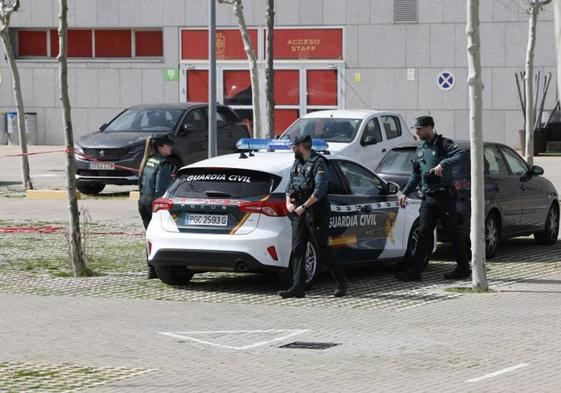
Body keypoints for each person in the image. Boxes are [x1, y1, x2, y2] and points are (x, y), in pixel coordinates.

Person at [396, 116, 471, 282]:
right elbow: (416, 173)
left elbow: (462, 153)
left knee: (452, 233)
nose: (417, 131)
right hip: (428, 198)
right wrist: (405, 192)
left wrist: (443, 164)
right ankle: (415, 271)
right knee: (424, 233)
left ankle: (463, 268)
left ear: (430, 128)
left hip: (444, 196)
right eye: (416, 128)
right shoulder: (421, 147)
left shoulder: (444, 144)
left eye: (420, 128)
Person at [278, 135, 348, 298]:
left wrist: (304, 206)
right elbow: (290, 185)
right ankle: (297, 287)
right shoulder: (297, 162)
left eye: (294, 147)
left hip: (315, 212)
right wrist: (288, 202)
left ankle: (341, 282)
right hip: (298, 212)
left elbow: (320, 190)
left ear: (302, 147)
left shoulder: (319, 163)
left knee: (322, 248)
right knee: (297, 248)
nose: (292, 150)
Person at [138, 134, 175, 278]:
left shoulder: (147, 161)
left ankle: (151, 270)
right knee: (158, 238)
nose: (171, 147)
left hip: (143, 202)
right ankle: (157, 270)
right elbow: (161, 190)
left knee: (149, 236)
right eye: (168, 145)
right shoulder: (163, 164)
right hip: (154, 204)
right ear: (160, 147)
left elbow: (140, 184)